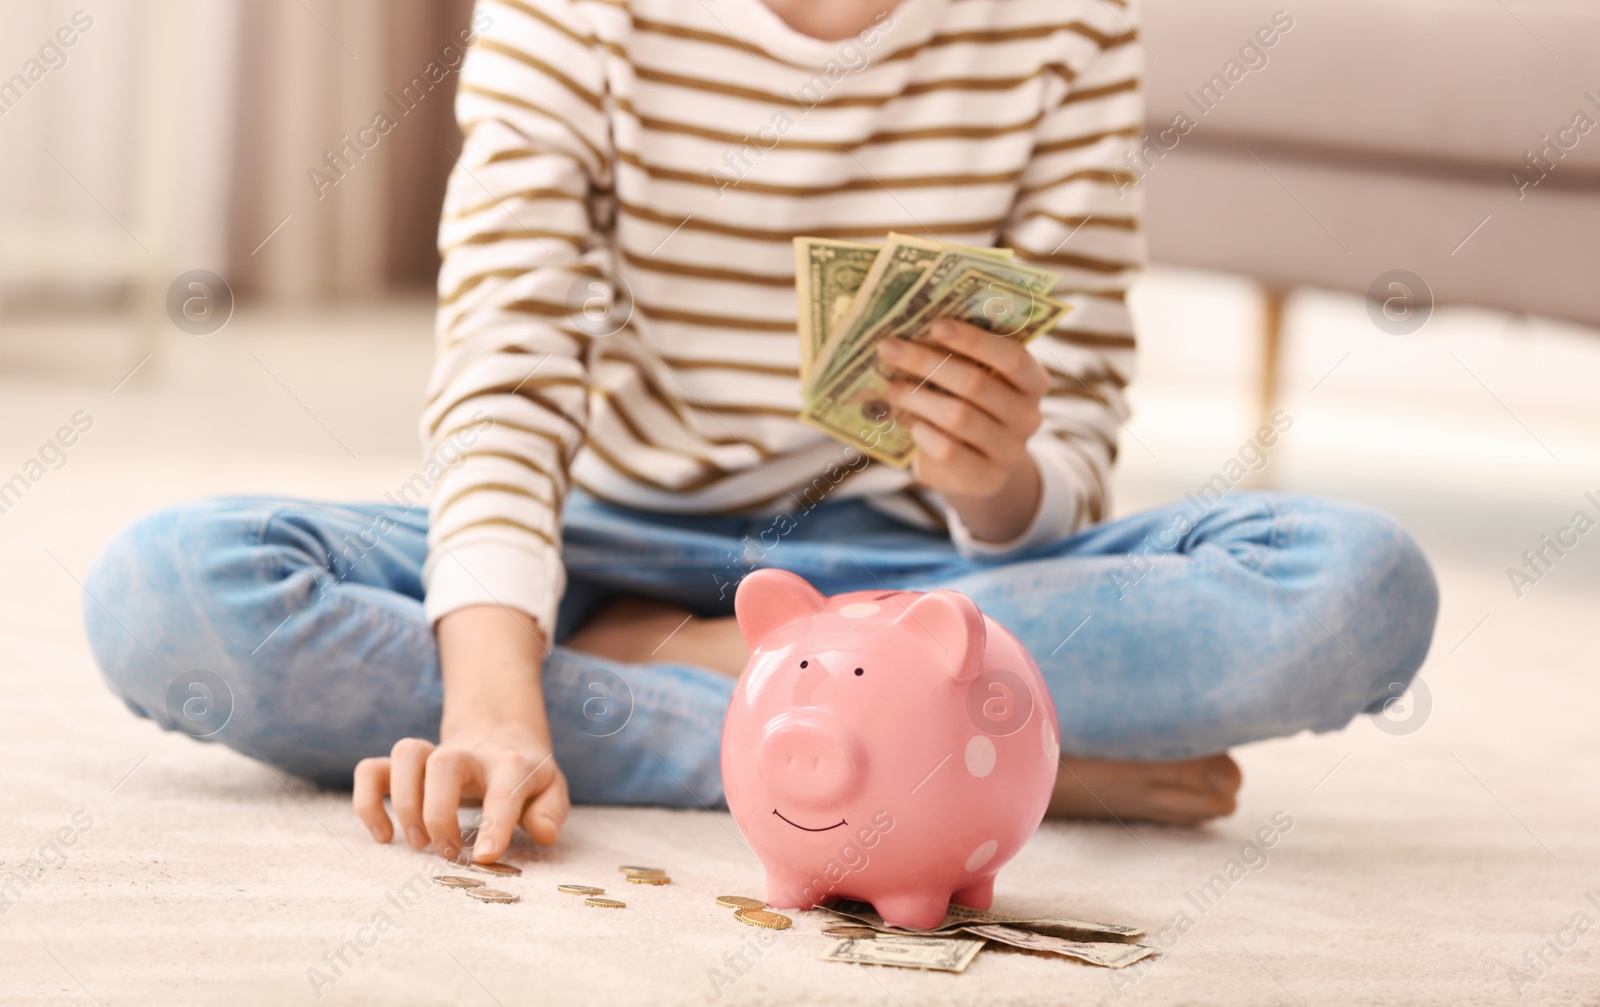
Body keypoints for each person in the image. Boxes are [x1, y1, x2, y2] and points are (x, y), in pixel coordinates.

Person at [82, 0, 1438, 869]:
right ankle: (957, 759)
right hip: (588, 541)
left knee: (1352, 592)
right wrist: (494, 706)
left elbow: (1072, 440)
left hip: (917, 583)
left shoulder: (1064, 23)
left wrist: (1000, 480)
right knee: (171, 595)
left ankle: (740, 688)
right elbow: (507, 365)